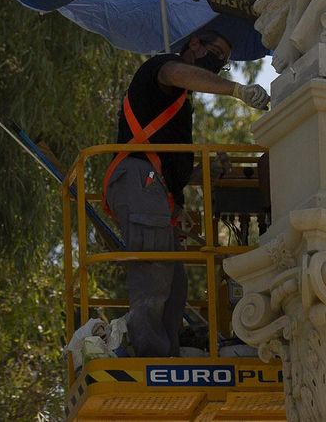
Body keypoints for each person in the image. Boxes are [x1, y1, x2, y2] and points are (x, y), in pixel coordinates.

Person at [101, 29, 270, 357]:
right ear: (194, 44)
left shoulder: (178, 105)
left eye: (223, 62)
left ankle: (166, 351)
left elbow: (170, 167)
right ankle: (151, 355)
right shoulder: (163, 67)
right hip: (140, 179)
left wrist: (202, 173)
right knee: (155, 271)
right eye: (216, 51)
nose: (218, 62)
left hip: (154, 187)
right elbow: (177, 73)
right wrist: (235, 89)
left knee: (175, 287)